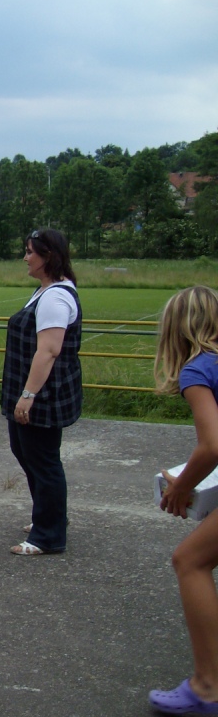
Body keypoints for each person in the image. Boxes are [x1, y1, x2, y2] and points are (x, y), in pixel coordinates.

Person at [149, 286, 218, 715]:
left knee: (190, 560)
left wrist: (180, 487)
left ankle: (208, 687)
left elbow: (212, 445)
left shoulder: (199, 369)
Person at [2, 228, 82, 556]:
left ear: (48, 256)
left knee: (43, 461)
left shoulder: (55, 297)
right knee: (27, 453)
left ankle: (48, 536)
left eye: (30, 252)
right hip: (32, 390)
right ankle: (48, 516)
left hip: (43, 395)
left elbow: (48, 350)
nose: (25, 258)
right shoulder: (44, 291)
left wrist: (28, 395)